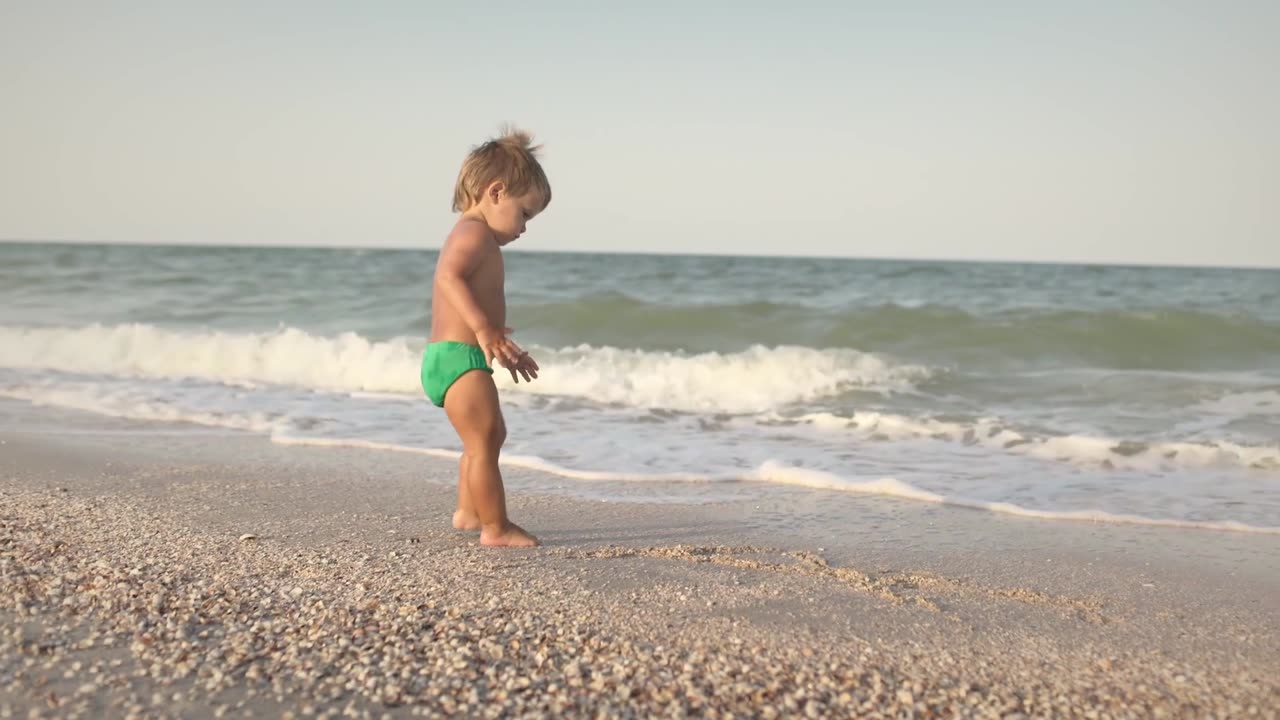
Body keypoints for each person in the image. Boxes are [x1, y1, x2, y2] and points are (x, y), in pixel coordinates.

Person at [421, 127, 551, 547]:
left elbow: (480, 305)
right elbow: (448, 277)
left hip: (459, 357)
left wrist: (502, 348)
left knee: (488, 437)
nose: (524, 229)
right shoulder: (472, 233)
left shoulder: (478, 237)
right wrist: (481, 328)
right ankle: (495, 528)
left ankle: (468, 512)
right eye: (524, 214)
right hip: (457, 356)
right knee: (483, 440)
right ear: (495, 192)